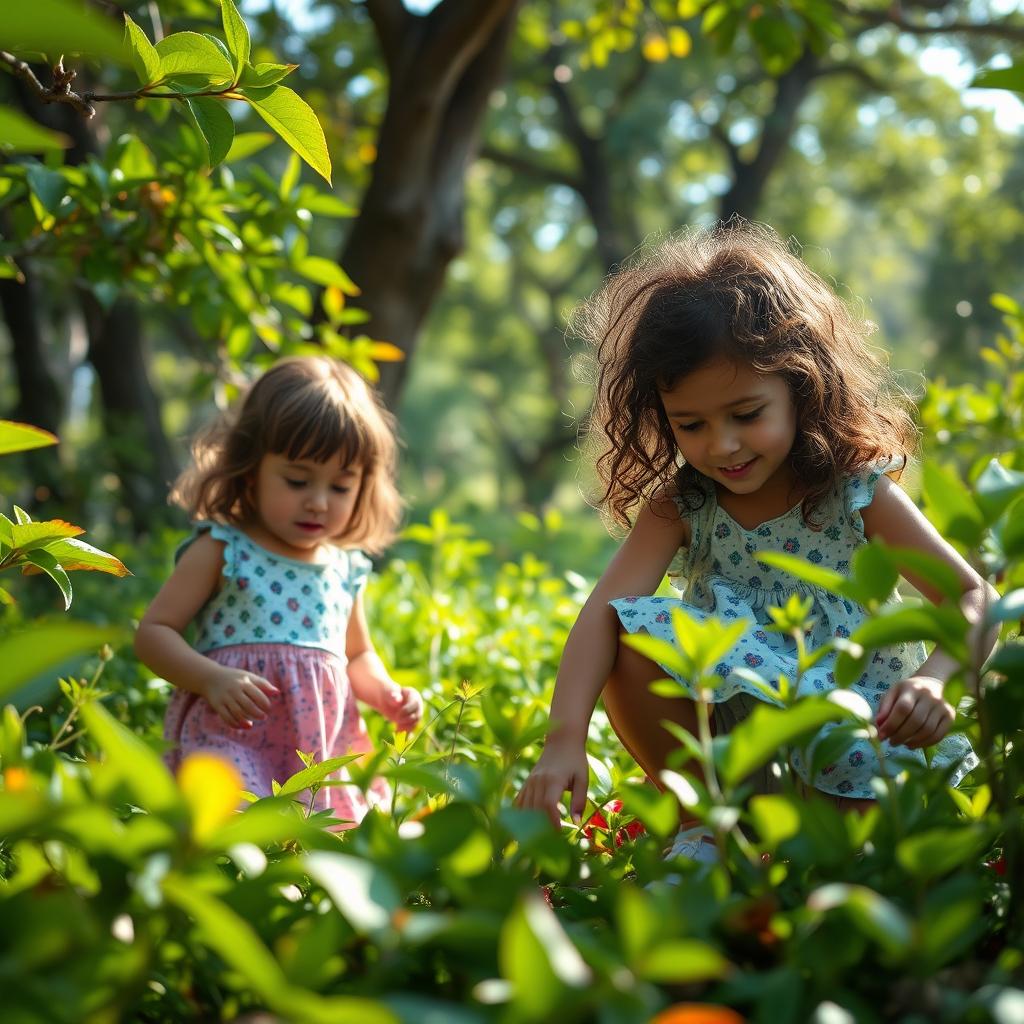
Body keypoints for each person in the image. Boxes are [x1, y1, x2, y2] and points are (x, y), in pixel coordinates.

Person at [517, 221, 996, 863]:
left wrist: (937, 681)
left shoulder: (854, 489)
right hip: (729, 736)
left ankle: (814, 857)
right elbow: (598, 618)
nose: (723, 445)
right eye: (692, 424)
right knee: (625, 632)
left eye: (747, 415)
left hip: (845, 720)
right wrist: (563, 739)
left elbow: (971, 595)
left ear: (802, 388)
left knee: (846, 857)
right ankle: (707, 827)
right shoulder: (682, 504)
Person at [136, 356, 422, 828]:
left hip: (318, 749)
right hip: (233, 736)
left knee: (328, 843)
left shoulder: (343, 567)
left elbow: (357, 656)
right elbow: (154, 632)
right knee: (236, 831)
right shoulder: (223, 548)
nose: (318, 501)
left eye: (341, 486)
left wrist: (387, 693)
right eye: (297, 479)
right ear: (251, 468)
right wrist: (209, 678)